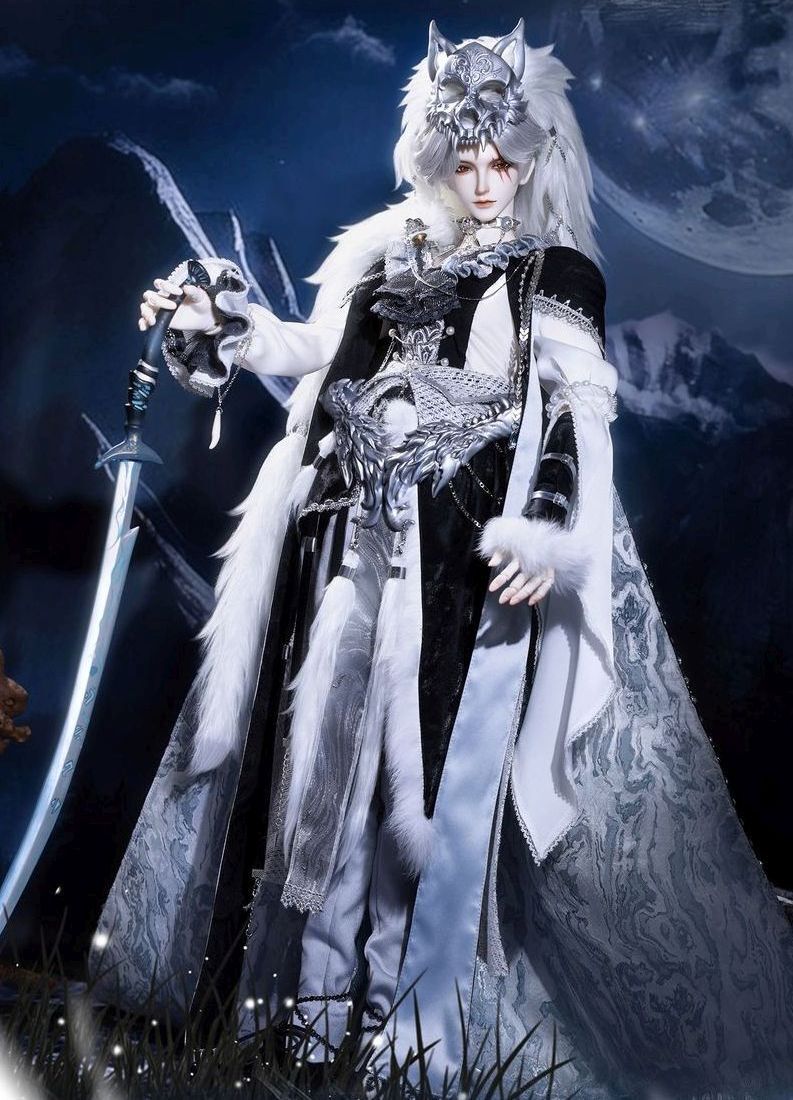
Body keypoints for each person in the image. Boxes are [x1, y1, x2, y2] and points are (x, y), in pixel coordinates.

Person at [90, 20, 793, 1098]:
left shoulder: (553, 271)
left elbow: (573, 413)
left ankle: (400, 1027)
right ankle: (307, 1016)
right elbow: (307, 351)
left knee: (418, 802)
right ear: (435, 154)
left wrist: (546, 526)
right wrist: (221, 319)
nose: (482, 178)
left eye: (500, 160)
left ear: (531, 159)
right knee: (317, 778)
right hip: (340, 534)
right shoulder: (383, 254)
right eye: (463, 158)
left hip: (460, 558)